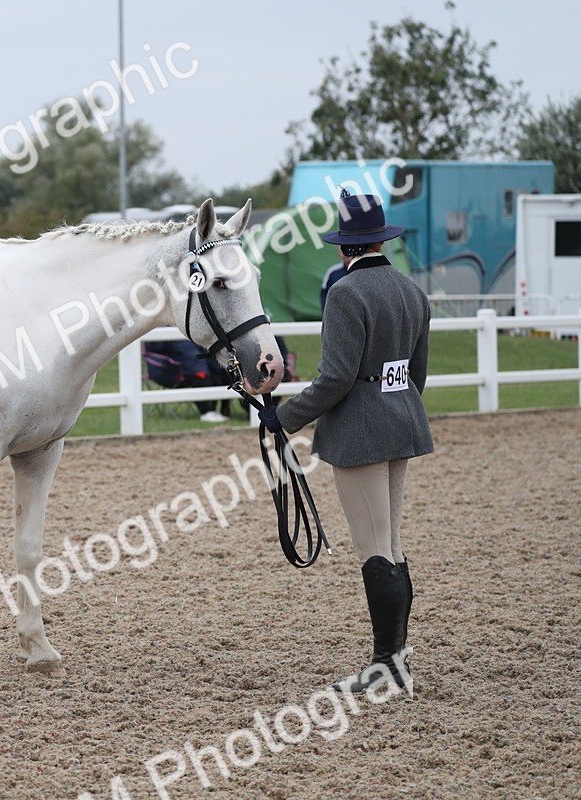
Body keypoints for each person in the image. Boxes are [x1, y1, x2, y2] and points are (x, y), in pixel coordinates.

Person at [260, 189, 433, 693]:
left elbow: (335, 378)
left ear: (344, 247)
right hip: (402, 424)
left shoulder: (345, 293)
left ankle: (386, 665)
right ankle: (397, 660)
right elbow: (415, 375)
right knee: (393, 543)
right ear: (381, 239)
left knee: (374, 547)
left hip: (359, 434)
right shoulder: (410, 291)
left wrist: (284, 418)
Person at [143, 339, 234, 422]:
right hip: (167, 369)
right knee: (198, 368)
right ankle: (207, 411)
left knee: (218, 366)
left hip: (188, 360)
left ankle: (220, 409)